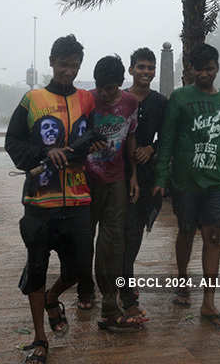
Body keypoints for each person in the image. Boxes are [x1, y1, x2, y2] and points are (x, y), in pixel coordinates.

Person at [5, 34, 103, 364]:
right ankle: (39, 339)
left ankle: (52, 297)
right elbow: (13, 142)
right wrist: (46, 152)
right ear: (51, 62)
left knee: (77, 270)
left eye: (74, 66)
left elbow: (93, 135)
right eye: (63, 65)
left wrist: (92, 146)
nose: (69, 72)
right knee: (36, 268)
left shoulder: (87, 100)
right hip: (39, 203)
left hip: (78, 199)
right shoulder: (32, 99)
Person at [153, 43, 220, 331]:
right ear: (190, 70)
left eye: (210, 68)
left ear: (217, 67)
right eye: (199, 69)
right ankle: (182, 281)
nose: (205, 74)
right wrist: (161, 178)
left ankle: (209, 303)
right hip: (185, 181)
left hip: (215, 181)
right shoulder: (179, 98)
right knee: (186, 232)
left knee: (213, 237)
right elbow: (166, 140)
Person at [77, 55, 143, 332]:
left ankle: (109, 300)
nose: (105, 93)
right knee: (84, 238)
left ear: (120, 84)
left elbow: (130, 138)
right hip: (87, 179)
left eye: (111, 88)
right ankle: (85, 288)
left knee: (112, 240)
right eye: (101, 88)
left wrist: (134, 177)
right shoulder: (86, 101)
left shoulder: (130, 103)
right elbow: (74, 138)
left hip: (116, 179)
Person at [119, 47, 167, 320]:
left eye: (150, 68)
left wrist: (152, 149)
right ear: (131, 70)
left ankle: (127, 279)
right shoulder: (121, 99)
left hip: (147, 175)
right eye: (141, 67)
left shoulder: (160, 102)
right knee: (118, 232)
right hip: (119, 174)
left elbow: (169, 135)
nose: (146, 72)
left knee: (135, 231)